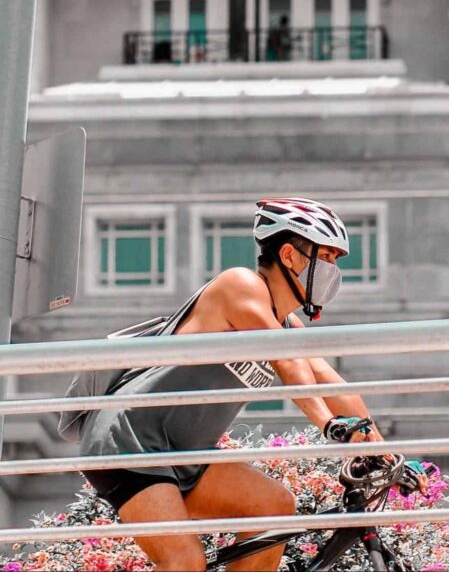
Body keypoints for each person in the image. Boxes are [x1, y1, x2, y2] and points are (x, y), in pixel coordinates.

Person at [78, 197, 426, 571]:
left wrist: (386, 452)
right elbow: (285, 358)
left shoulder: (288, 325)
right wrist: (329, 424)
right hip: (130, 442)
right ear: (291, 255)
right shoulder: (239, 286)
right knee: (184, 562)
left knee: (273, 508)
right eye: (327, 257)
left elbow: (332, 383)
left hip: (184, 454)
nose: (334, 270)